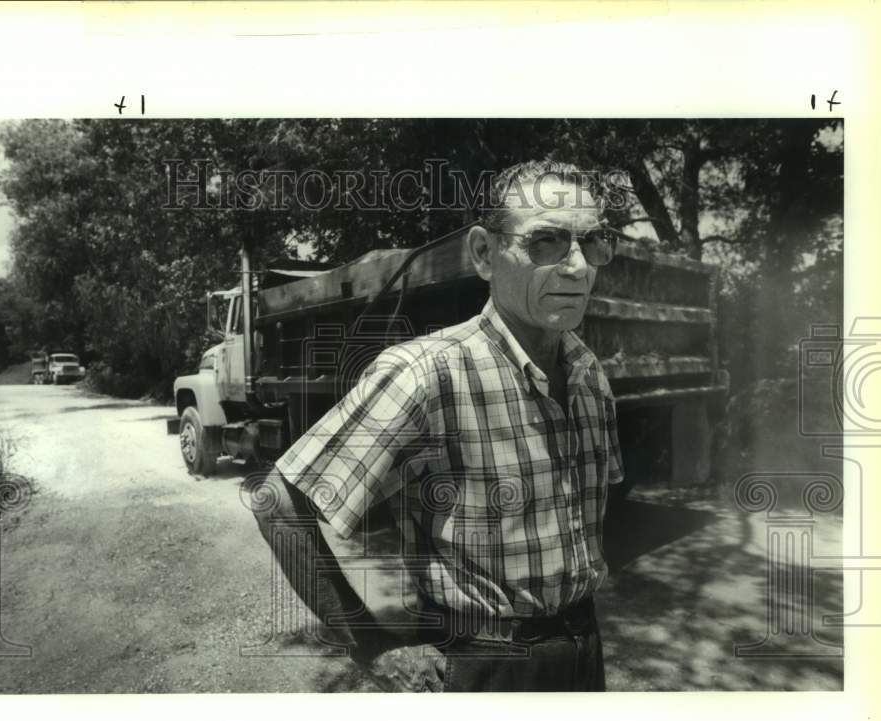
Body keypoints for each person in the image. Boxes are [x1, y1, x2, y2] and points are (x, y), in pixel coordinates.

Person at [252, 159, 624, 692]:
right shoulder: (426, 374)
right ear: (483, 253)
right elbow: (278, 502)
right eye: (545, 242)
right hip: (483, 664)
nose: (577, 267)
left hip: (582, 653)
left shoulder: (588, 373)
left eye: (593, 243)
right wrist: (372, 645)